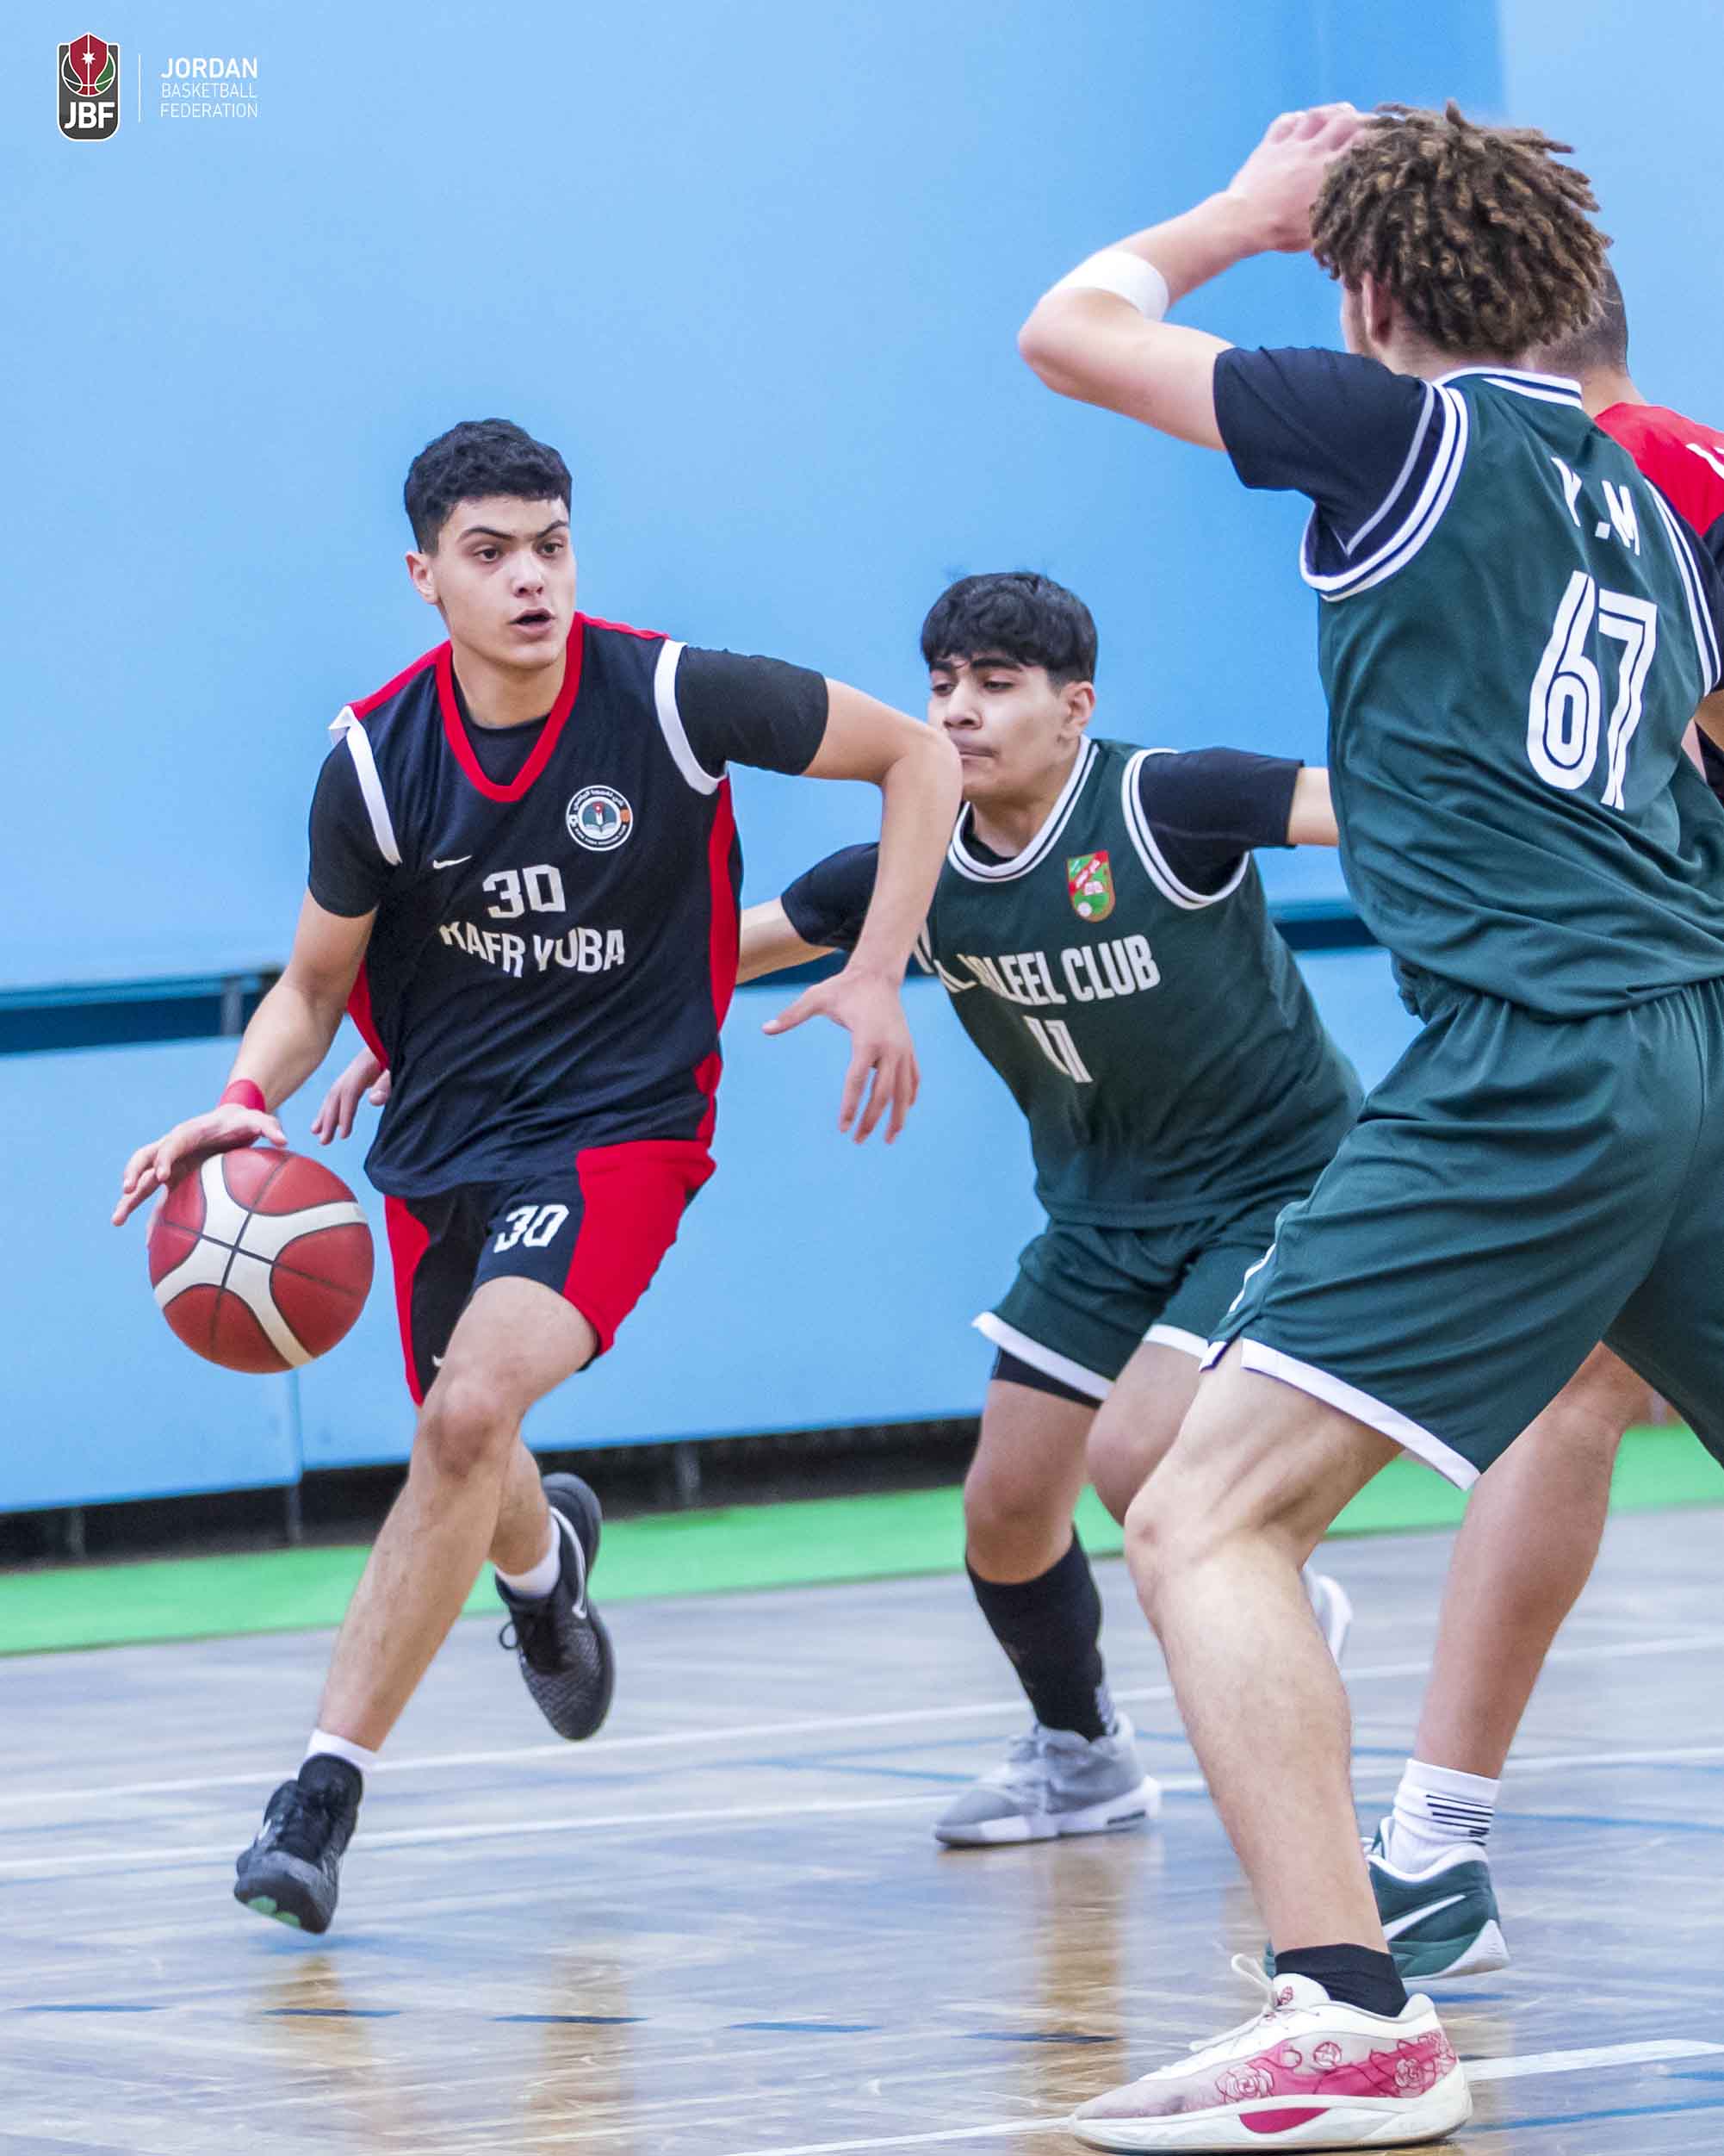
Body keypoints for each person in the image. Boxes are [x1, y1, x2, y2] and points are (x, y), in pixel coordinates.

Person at [1019, 103, 1724, 2150]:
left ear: (1366, 289)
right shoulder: (1644, 497)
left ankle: (1344, 2011)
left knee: (1199, 1514)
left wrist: (1233, 213)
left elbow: (1070, 330)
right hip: (1688, 1035)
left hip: (1532, 1060)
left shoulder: (1395, 429)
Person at [321, 567, 1363, 1850]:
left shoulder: (1164, 804)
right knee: (1004, 1513)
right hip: (1101, 1213)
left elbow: (1355, 807)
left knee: (1137, 1457)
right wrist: (457, 1037)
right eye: (942, 686)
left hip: (1272, 1185)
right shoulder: (907, 871)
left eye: (996, 686)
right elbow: (678, 961)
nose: (958, 711)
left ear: (1074, 707)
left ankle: (1261, 1606)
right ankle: (1085, 1756)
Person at [112, 418, 960, 1936]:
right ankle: (543, 1568)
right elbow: (313, 987)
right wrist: (239, 1103)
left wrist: (878, 966)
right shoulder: (375, 761)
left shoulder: (674, 697)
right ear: (425, 577)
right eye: (491, 554)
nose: (530, 580)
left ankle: (317, 1800)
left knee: (463, 1415)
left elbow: (914, 755)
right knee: (469, 1446)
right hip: (443, 1138)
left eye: (551, 547)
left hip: (622, 1126)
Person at [1366, 262, 1724, 1986]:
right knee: (1576, 1382)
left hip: (1639, 999)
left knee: (1563, 1386)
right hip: (1645, 1000)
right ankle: (1433, 1843)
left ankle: (1433, 1845)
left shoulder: (1607, 469)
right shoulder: (1658, 468)